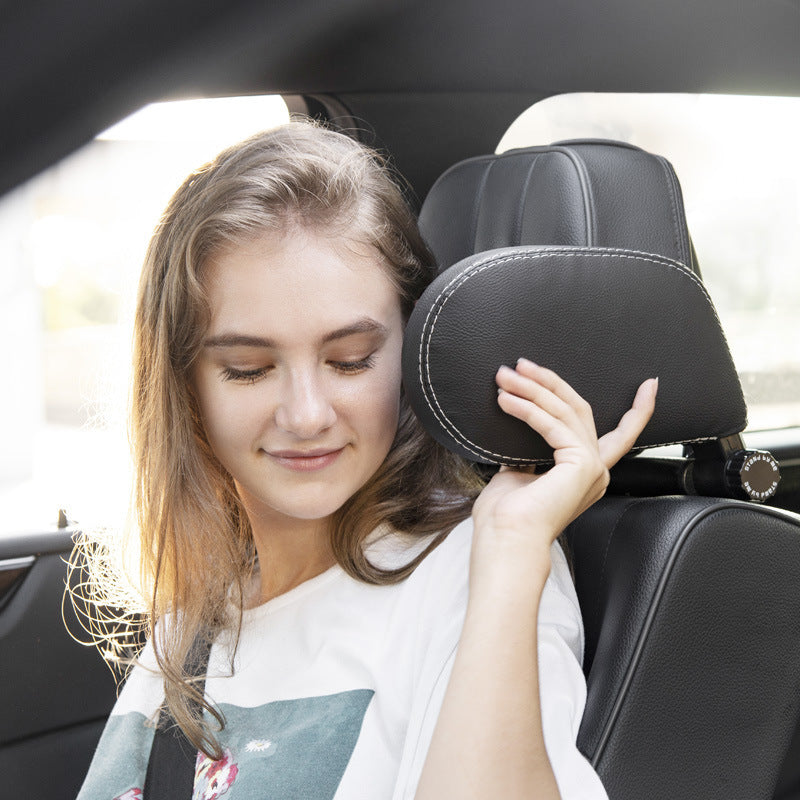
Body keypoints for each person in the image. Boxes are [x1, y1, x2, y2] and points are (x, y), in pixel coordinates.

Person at [76, 120, 657, 800]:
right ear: (186, 386)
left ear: (412, 351)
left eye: (349, 361)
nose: (306, 413)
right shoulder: (193, 618)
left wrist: (512, 554)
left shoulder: (475, 580)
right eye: (247, 369)